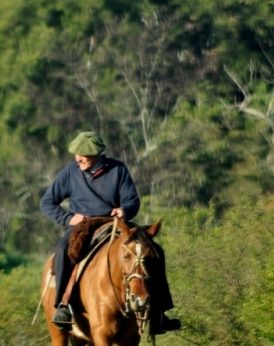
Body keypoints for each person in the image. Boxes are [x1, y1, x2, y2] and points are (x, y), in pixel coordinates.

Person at [39, 131, 180, 334]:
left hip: (115, 223)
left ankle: (159, 313)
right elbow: (47, 202)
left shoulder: (117, 169)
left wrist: (124, 210)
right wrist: (69, 218)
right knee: (62, 249)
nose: (79, 158)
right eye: (76, 154)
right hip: (83, 226)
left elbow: (132, 200)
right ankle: (64, 305)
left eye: (84, 155)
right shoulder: (70, 172)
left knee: (155, 250)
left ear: (97, 155)